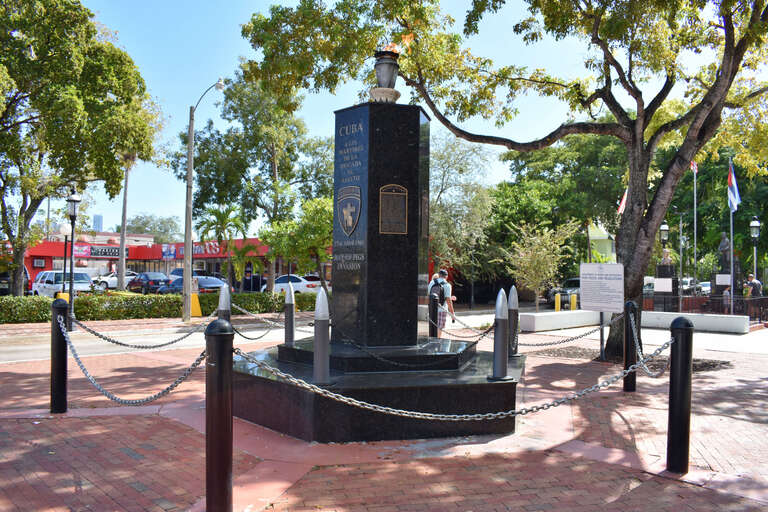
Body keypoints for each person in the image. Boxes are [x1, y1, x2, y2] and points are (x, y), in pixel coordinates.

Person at [428, 269, 456, 338]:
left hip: (431, 309)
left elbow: (429, 295)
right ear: (446, 276)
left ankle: (431, 344)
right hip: (442, 310)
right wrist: (452, 313)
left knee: (432, 328)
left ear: (439, 275)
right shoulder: (447, 285)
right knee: (439, 328)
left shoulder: (431, 282)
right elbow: (448, 301)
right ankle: (437, 344)